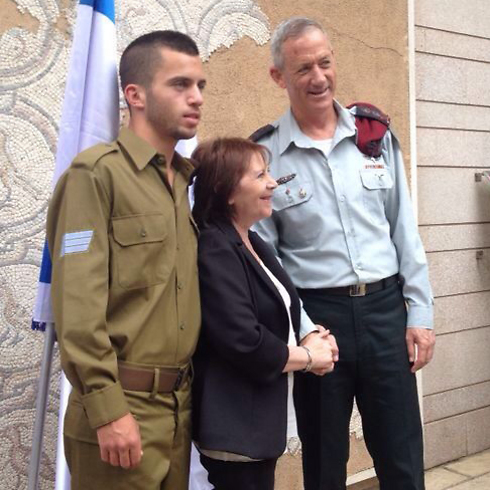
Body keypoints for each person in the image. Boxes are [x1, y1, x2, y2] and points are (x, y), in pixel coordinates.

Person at [251, 17, 436, 490]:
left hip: (385, 313)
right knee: (325, 460)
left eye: (325, 62)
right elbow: (267, 262)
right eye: (303, 68)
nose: (318, 77)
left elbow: (404, 230)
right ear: (279, 77)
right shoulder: (267, 156)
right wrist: (303, 332)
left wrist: (420, 312)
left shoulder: (374, 136)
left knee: (401, 455)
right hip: (319, 319)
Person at [46, 30, 206, 490]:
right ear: (134, 95)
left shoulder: (182, 182)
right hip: (122, 408)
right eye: (179, 85)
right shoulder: (95, 176)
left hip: (178, 408)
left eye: (200, 86)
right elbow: (77, 309)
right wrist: (108, 408)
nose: (195, 98)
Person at [190, 137, 338, 490]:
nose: (272, 183)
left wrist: (311, 335)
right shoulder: (215, 246)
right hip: (235, 426)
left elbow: (285, 306)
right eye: (260, 176)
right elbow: (244, 341)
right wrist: (307, 358)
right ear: (226, 191)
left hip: (257, 423)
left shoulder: (253, 241)